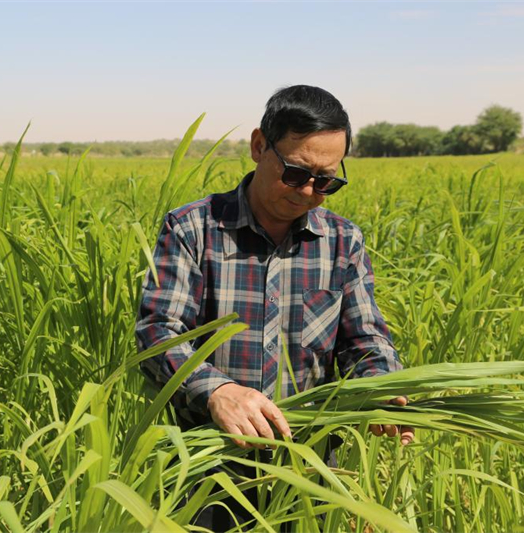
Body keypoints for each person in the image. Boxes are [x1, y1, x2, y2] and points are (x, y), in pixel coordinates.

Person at [135, 85, 413, 529]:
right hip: (207, 469)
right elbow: (157, 332)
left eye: (326, 182)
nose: (308, 191)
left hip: (308, 469)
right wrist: (218, 391)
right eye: (296, 173)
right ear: (259, 146)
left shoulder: (342, 242)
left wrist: (380, 381)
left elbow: (364, 338)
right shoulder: (194, 229)